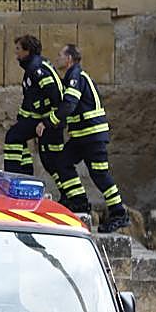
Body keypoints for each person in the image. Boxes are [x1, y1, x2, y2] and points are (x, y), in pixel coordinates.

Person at [37, 44, 129, 232]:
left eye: (60, 55)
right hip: (82, 137)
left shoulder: (76, 77)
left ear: (69, 59)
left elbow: (69, 105)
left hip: (92, 136)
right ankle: (79, 201)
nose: (57, 58)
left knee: (100, 174)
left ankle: (119, 214)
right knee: (62, 162)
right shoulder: (72, 76)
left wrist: (47, 122)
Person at [4, 34, 63, 175]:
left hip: (48, 120)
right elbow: (30, 99)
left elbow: (55, 95)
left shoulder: (36, 69)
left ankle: (14, 176)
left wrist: (49, 122)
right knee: (16, 136)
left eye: (18, 49)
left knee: (51, 162)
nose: (16, 53)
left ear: (27, 50)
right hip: (41, 119)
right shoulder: (33, 67)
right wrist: (22, 119)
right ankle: (24, 176)